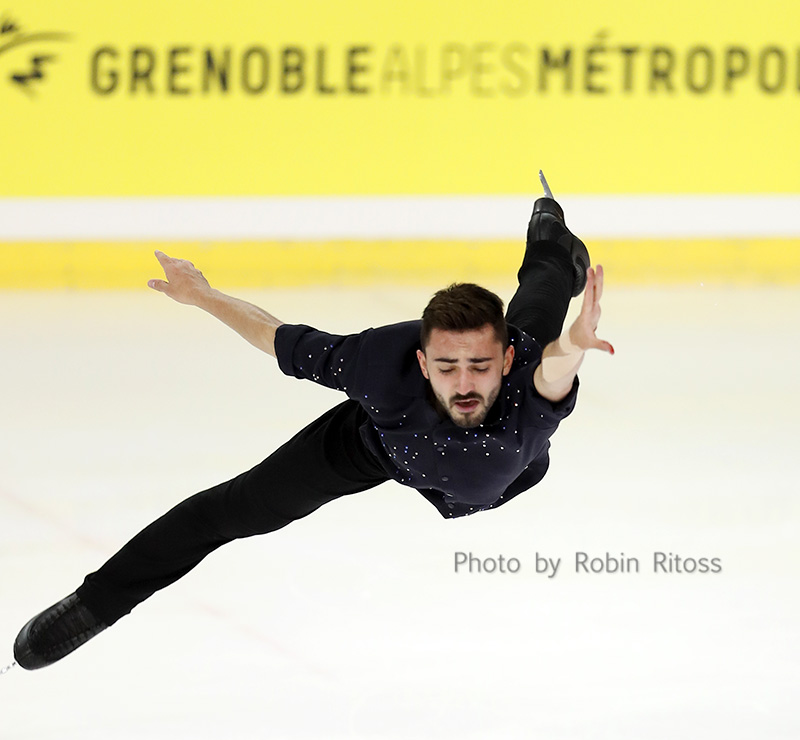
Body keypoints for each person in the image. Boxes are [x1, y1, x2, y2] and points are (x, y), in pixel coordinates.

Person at [11, 180, 613, 671]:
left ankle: (553, 242)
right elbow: (274, 336)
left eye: (480, 366)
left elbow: (556, 368)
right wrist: (204, 296)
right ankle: (95, 603)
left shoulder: (525, 382)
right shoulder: (379, 365)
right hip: (376, 445)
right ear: (421, 361)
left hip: (501, 468)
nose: (463, 385)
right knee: (228, 509)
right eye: (446, 367)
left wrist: (577, 343)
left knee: (542, 295)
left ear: (503, 362)